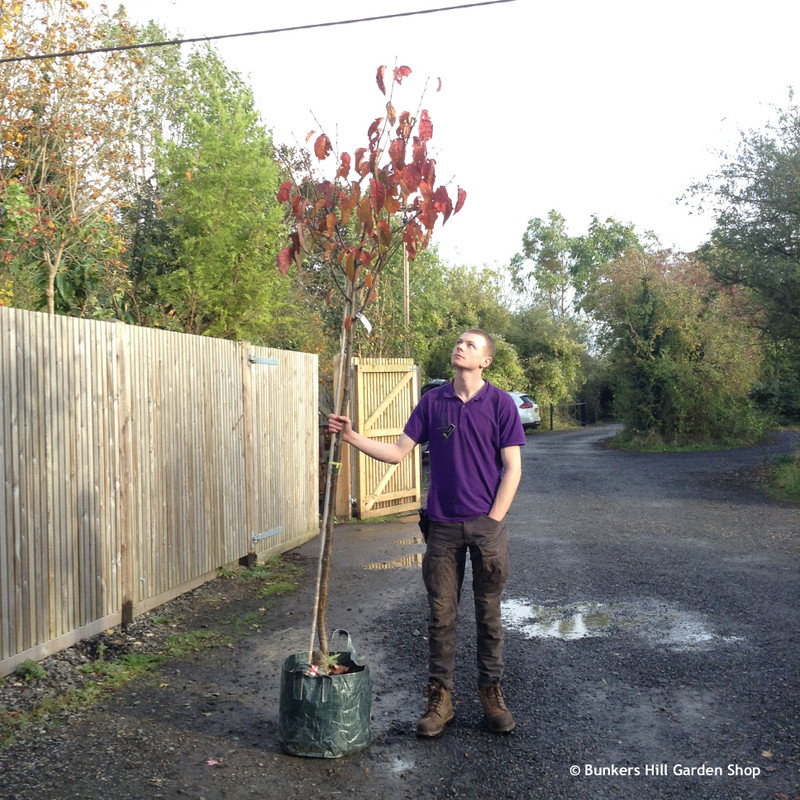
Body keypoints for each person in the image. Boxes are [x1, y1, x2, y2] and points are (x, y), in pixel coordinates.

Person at [327, 329, 525, 737]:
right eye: (459, 342)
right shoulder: (433, 402)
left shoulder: (501, 404)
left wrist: (493, 519)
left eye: (471, 345)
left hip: (487, 528)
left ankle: (491, 694)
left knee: (488, 615)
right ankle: (441, 699)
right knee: (440, 616)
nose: (460, 347)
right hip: (442, 527)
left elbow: (513, 467)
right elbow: (397, 453)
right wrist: (350, 435)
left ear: (485, 361)